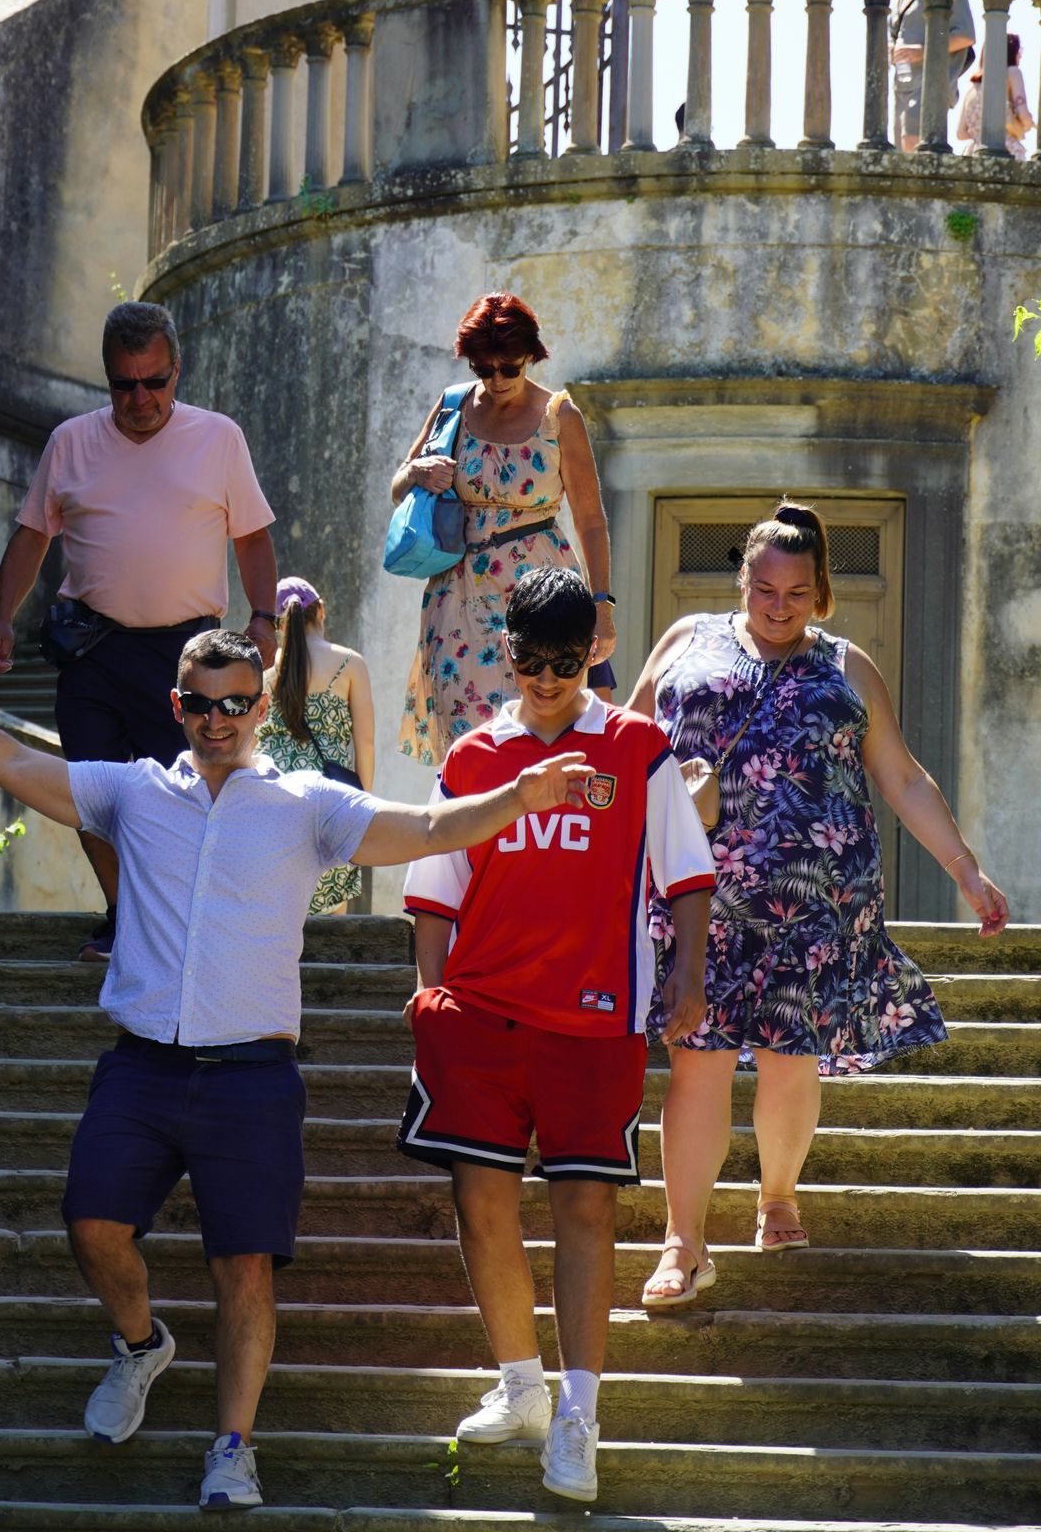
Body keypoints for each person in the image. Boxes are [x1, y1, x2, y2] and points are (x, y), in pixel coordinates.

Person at [0, 621, 594, 1512]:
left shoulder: (306, 802)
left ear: (262, 706)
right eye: (202, 703)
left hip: (252, 1078)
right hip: (144, 1065)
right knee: (91, 1223)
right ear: (178, 707)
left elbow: (427, 827)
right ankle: (140, 1344)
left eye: (237, 702)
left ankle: (232, 1447)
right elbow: (8, 762)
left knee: (245, 1268)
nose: (219, 718)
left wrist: (520, 795)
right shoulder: (132, 793)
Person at [629, 501, 1009, 1309]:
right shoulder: (685, 642)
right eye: (764, 588)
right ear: (742, 579)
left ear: (820, 592)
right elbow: (626, 746)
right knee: (693, 1062)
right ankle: (682, 1243)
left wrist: (967, 873)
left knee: (789, 1062)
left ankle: (776, 1194)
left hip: (817, 904)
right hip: (702, 899)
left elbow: (902, 776)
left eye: (796, 593)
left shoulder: (846, 666)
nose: (778, 606)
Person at [398, 568, 715, 1505]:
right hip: (482, 1015)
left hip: (595, 1018)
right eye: (530, 661)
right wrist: (428, 998)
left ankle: (580, 1415)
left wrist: (689, 978)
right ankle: (520, 1386)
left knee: (586, 1208)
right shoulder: (471, 756)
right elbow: (433, 888)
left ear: (594, 655)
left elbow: (687, 875)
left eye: (565, 662)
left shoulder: (638, 747)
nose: (545, 680)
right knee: (481, 1200)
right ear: (507, 652)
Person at [0, 301, 279, 962]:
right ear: (107, 379)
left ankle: (176, 925)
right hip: (93, 648)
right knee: (91, 794)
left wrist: (263, 617)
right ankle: (124, 918)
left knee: (182, 798)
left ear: (178, 371)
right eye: (124, 384)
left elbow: (253, 538)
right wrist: (2, 617)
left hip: (186, 657)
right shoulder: (71, 442)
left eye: (155, 381)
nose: (140, 397)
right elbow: (33, 537)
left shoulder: (219, 437)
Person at [395, 293, 618, 766]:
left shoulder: (561, 417)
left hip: (540, 595)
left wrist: (602, 605)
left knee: (544, 732)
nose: (495, 380)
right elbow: (398, 487)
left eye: (509, 368)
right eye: (483, 369)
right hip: (458, 596)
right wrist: (417, 472)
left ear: (532, 357)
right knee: (470, 742)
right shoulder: (453, 405)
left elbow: (591, 521)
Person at [254, 575, 376, 914]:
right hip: (330, 803)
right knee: (332, 926)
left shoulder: (262, 670)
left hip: (272, 803)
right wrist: (363, 809)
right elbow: (364, 745)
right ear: (320, 611)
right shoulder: (350, 664)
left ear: (278, 624)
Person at [889, 0, 976, 151]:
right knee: (902, 150)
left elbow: (965, 35)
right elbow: (894, 34)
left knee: (915, 143)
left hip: (931, 82)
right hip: (903, 82)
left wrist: (923, 50)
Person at [957, 32, 1036, 160]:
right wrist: (1026, 125)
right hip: (1005, 151)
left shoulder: (973, 87)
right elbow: (1024, 116)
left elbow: (961, 133)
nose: (1020, 55)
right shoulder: (1012, 72)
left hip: (973, 153)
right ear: (1010, 52)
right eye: (1019, 49)